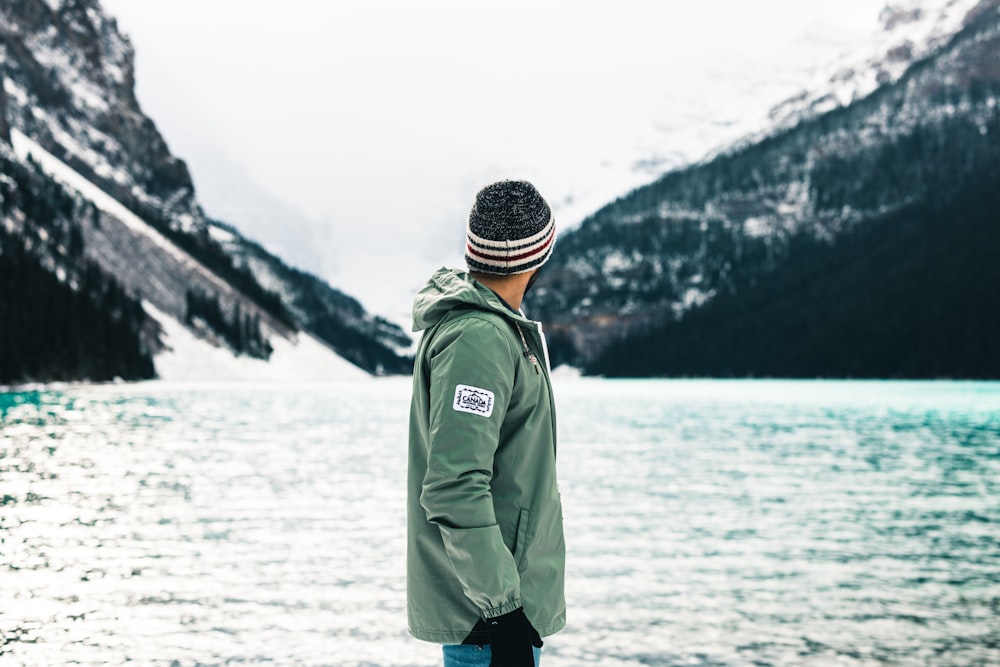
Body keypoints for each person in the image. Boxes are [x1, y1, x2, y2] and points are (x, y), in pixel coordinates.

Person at [407, 179, 566, 667]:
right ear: (538, 254)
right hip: (489, 623)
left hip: (495, 614)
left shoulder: (489, 330)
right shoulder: (480, 339)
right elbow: (455, 485)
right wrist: (504, 613)